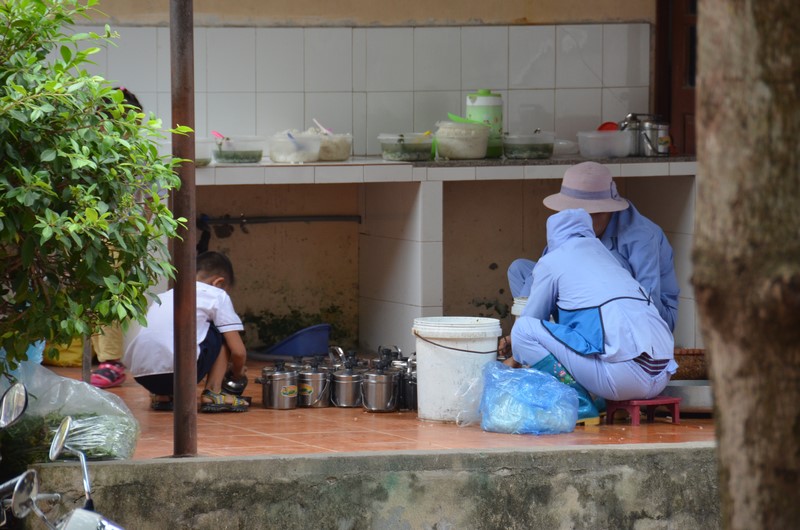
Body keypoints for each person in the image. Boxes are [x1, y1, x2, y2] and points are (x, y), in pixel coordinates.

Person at [505, 208, 677, 423]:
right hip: (662, 375)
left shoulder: (552, 260)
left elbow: (532, 320)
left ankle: (579, 405)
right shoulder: (609, 258)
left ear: (553, 235)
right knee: (599, 337)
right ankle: (605, 402)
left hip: (624, 379)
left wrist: (512, 360)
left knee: (522, 330)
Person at [507, 161, 679, 332]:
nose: (573, 218)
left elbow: (648, 304)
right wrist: (523, 325)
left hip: (648, 317)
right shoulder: (575, 223)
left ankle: (575, 334)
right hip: (595, 306)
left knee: (605, 261)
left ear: (605, 211)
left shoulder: (641, 236)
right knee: (520, 269)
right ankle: (561, 332)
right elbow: (547, 266)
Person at [123, 251, 250, 412]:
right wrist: (237, 374)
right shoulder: (217, 295)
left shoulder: (166, 295)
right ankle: (213, 393)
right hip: (181, 374)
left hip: (143, 376)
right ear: (218, 282)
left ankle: (162, 396)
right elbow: (238, 352)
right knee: (222, 331)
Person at [90, 87, 144, 389]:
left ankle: (111, 361)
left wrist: (136, 233)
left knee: (110, 296)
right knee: (94, 295)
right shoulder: (93, 150)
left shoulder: (131, 153)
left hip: (119, 234)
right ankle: (103, 358)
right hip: (93, 232)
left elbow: (145, 200)